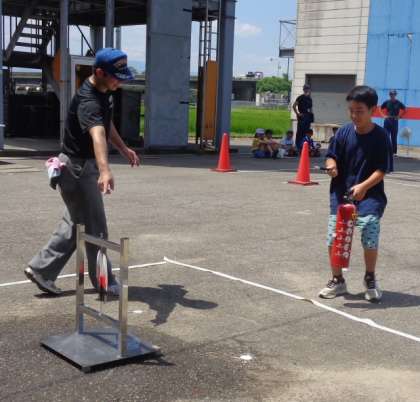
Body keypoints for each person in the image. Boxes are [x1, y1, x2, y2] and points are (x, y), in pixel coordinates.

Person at [24, 48, 140, 296]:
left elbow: (106, 124)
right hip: (79, 170)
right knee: (96, 228)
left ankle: (41, 270)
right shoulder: (89, 102)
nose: (119, 83)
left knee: (74, 225)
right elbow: (98, 134)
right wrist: (105, 170)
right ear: (99, 72)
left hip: (74, 168)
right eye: (116, 78)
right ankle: (104, 282)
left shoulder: (102, 92)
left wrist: (123, 148)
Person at [318, 85, 392, 302]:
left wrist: (363, 187)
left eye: (359, 111)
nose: (354, 115)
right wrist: (332, 166)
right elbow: (331, 155)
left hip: (370, 196)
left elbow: (382, 169)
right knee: (335, 237)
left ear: (373, 110)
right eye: (351, 110)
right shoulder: (343, 132)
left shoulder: (381, 136)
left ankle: (370, 278)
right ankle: (337, 280)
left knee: (369, 234)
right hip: (341, 194)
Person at [381, 90, 406, 155]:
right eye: (391, 94)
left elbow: (405, 109)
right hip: (387, 120)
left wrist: (400, 116)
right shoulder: (387, 102)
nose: (392, 95)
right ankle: (385, 151)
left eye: (393, 94)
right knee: (386, 136)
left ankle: (394, 152)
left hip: (394, 120)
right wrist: (383, 115)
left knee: (394, 137)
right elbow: (380, 108)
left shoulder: (398, 103)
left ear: (395, 95)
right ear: (389, 95)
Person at [292, 84, 314, 150]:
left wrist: (311, 116)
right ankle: (298, 146)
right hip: (302, 116)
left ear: (309, 89)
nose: (306, 90)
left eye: (308, 88)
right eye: (305, 88)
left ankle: (305, 146)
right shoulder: (300, 97)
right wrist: (297, 113)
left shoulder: (310, 99)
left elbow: (310, 109)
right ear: (303, 89)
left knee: (306, 132)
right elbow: (294, 106)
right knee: (300, 132)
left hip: (307, 117)